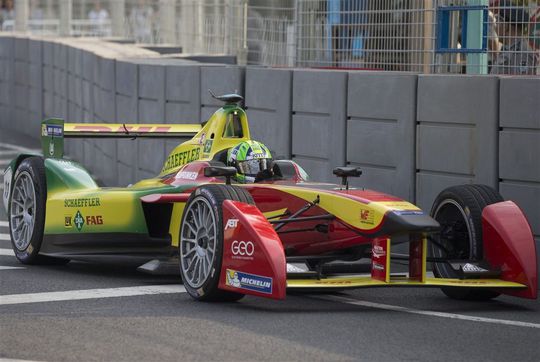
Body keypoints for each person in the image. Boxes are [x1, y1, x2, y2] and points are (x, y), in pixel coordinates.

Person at [491, 2, 538, 75]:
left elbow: (519, 84)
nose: (495, 26)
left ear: (505, 25)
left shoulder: (521, 53)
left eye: (497, 21)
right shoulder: (507, 48)